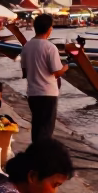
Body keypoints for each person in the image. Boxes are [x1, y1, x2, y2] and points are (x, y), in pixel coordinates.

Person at [19, 13, 69, 143]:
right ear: (49, 29)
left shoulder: (26, 47)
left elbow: (24, 72)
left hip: (32, 93)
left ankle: (35, 151)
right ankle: (42, 153)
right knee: (46, 128)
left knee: (37, 126)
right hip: (47, 93)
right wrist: (66, 67)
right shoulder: (50, 47)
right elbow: (56, 72)